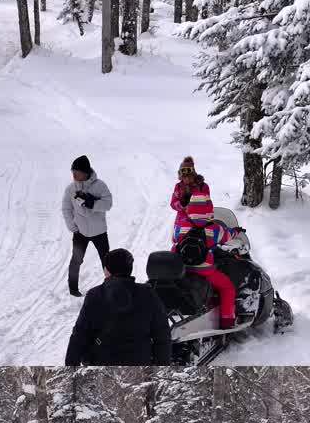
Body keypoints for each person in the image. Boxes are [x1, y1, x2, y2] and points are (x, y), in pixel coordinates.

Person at [65, 249, 172, 367]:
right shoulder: (148, 294)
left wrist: (71, 367)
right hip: (140, 365)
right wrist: (160, 367)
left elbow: (79, 335)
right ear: (130, 269)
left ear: (107, 270)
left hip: (101, 365)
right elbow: (162, 335)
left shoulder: (94, 295)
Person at [171, 156, 237, 330]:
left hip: (185, 232)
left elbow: (174, 242)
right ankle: (227, 322)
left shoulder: (180, 227)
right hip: (204, 268)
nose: (186, 175)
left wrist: (187, 210)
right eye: (183, 172)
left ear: (193, 171)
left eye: (188, 171)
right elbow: (227, 237)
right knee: (227, 287)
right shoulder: (214, 228)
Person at [62, 155, 114, 297]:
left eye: (76, 171)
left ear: (85, 172)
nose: (73, 174)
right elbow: (66, 208)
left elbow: (108, 204)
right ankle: (73, 290)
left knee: (107, 260)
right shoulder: (70, 189)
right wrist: (72, 225)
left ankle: (111, 287)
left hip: (99, 232)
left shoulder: (100, 186)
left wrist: (92, 203)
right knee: (76, 260)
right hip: (80, 232)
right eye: (72, 171)